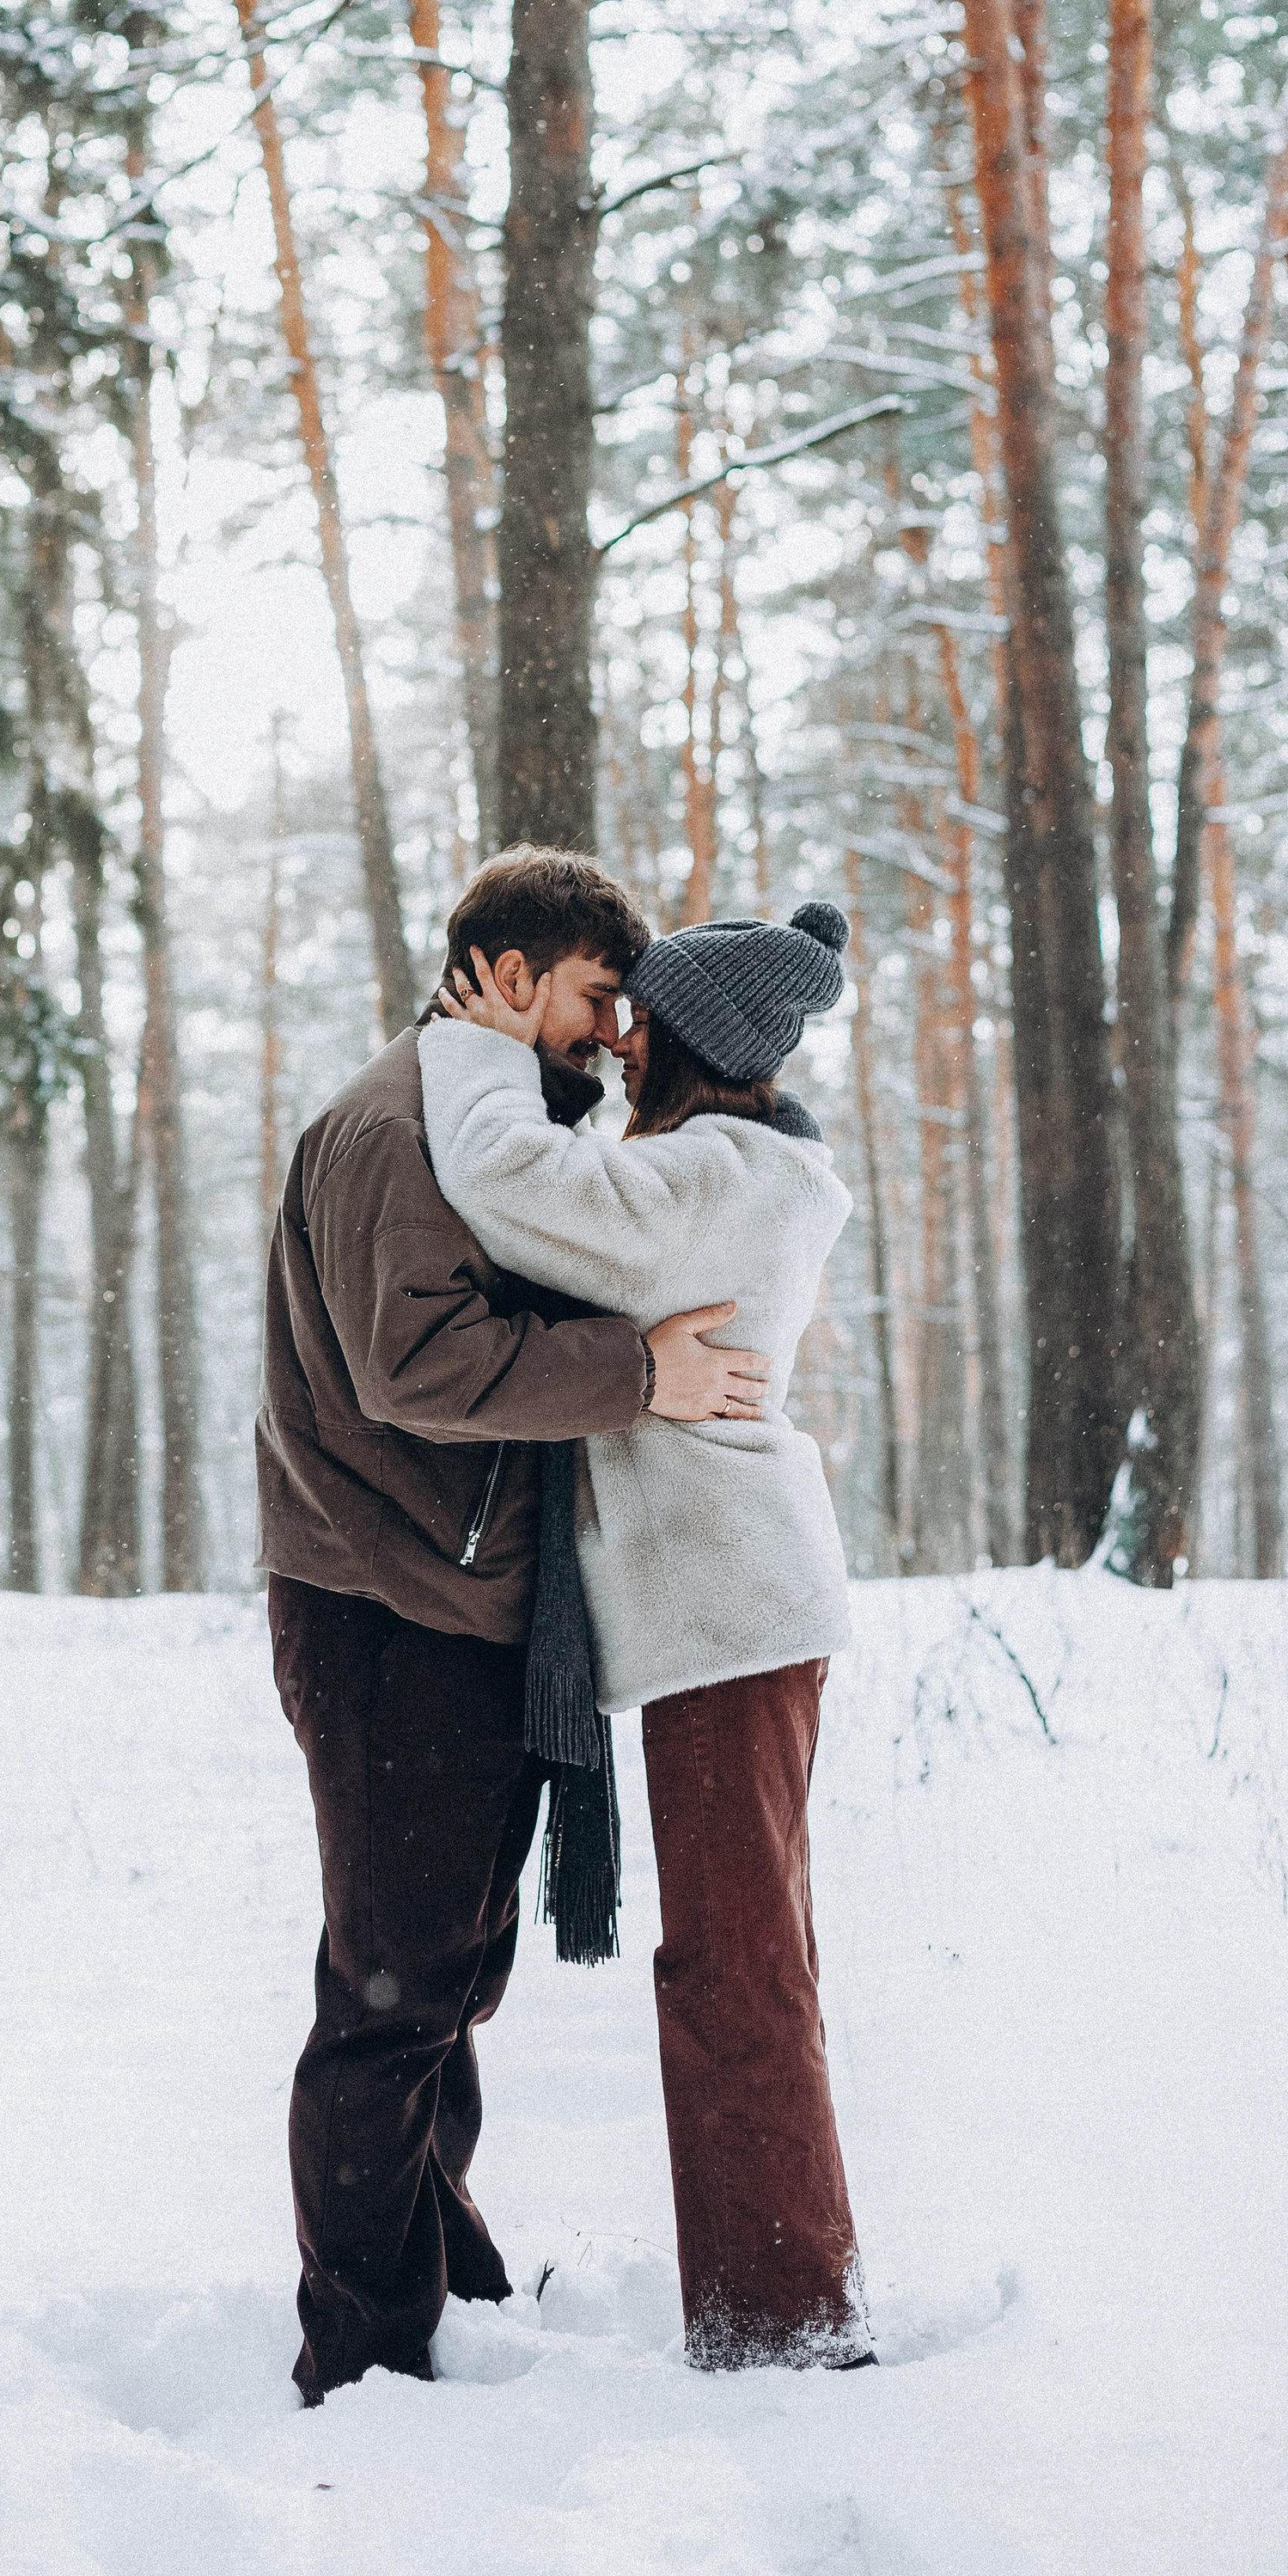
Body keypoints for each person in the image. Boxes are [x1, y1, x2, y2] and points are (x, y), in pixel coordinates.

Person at [256, 847, 772, 2406]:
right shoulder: (391, 1127)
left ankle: (442, 2263)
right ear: (504, 973)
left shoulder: (485, 1118)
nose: (617, 1034)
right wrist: (640, 1377)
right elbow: (411, 1362)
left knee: (451, 1975)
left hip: (452, 1592)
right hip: (387, 1599)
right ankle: (360, 2345)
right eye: (599, 998)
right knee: (391, 1988)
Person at [421, 902, 871, 2370]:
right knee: (747, 1961)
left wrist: (473, 1046)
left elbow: (506, 1183)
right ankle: (778, 2308)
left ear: (695, 1044)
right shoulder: (728, 1171)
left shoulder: (708, 1183)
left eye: (639, 1019)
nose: (615, 1038)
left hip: (733, 1619)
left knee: (738, 1971)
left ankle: (786, 2325)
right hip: (738, 1617)